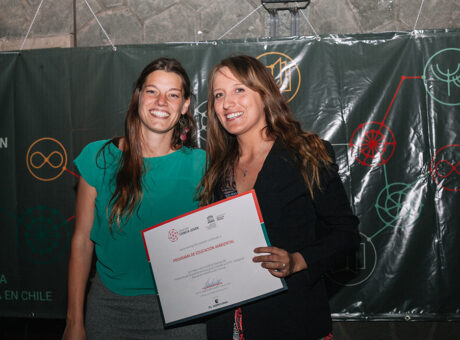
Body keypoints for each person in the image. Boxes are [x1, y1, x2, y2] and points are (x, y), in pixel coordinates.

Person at [199, 55, 360, 340]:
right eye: (218, 95)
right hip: (229, 326)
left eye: (239, 90)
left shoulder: (306, 153)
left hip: (292, 319)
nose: (227, 103)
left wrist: (298, 260)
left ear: (264, 94)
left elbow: (346, 234)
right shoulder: (216, 167)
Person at [62, 58, 206, 339]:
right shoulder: (99, 157)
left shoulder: (203, 164)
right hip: (110, 309)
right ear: (138, 96)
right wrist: (73, 321)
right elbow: (81, 242)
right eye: (152, 91)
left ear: (185, 105)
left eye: (173, 95)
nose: (161, 102)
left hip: (184, 313)